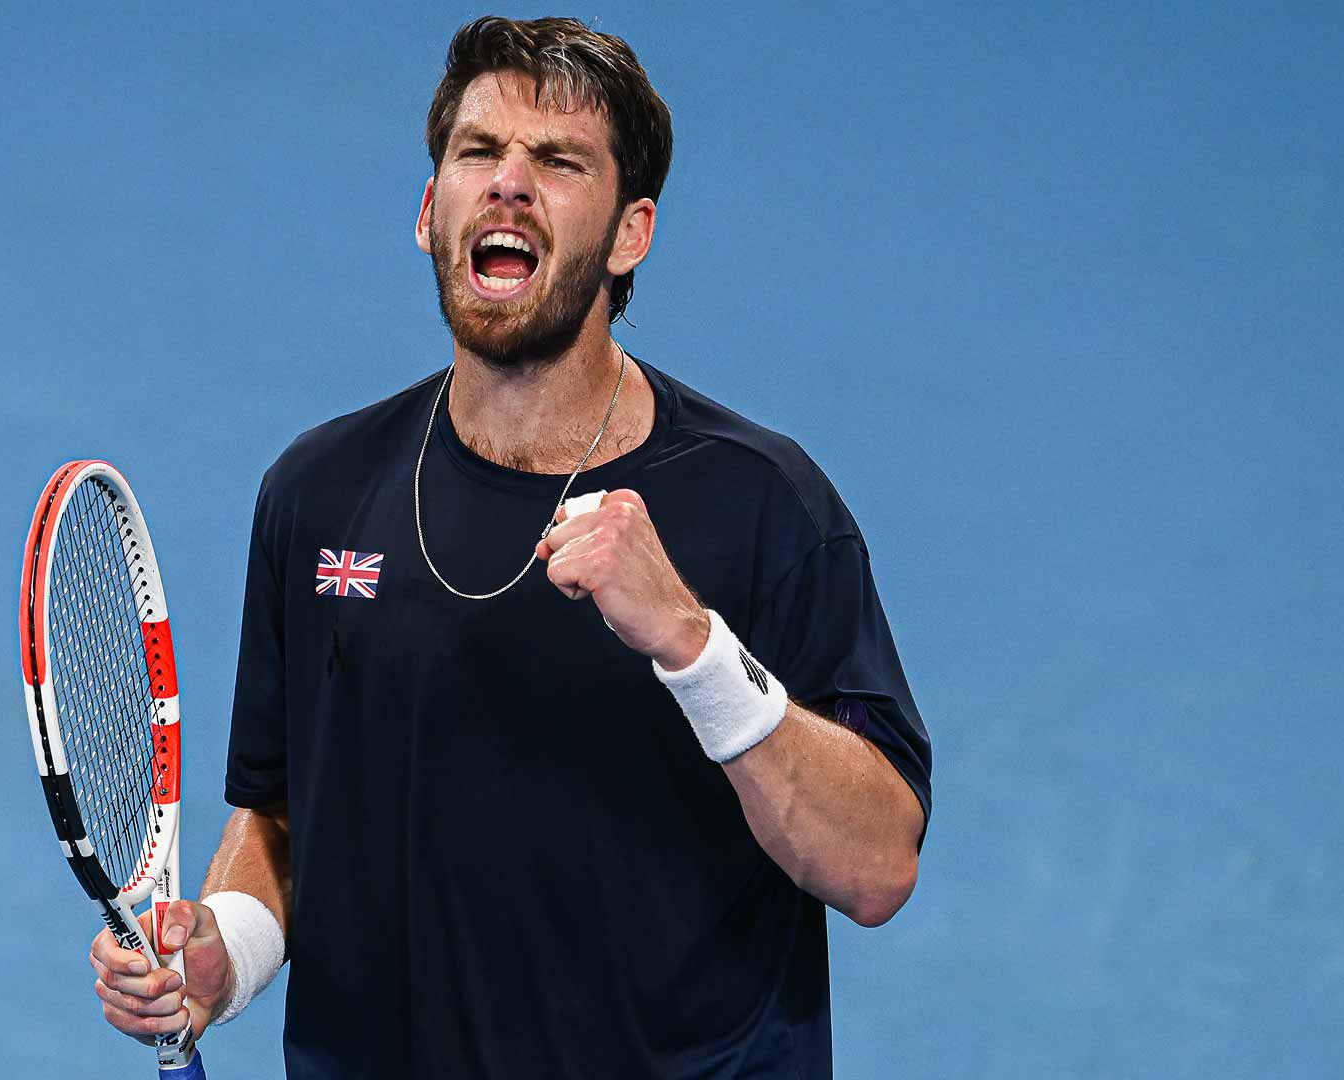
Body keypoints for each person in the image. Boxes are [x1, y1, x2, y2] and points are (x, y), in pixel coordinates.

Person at [89, 16, 932, 1077]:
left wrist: (691, 645)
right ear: (428, 211)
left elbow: (877, 866)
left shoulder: (763, 506)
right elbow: (288, 821)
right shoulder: (319, 494)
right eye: (477, 153)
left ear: (631, 234)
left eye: (558, 162)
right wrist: (232, 952)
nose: (508, 184)